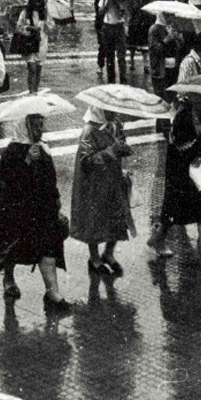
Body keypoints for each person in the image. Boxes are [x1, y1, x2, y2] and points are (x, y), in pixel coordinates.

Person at [0, 113, 70, 311]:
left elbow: (50, 177)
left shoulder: (43, 148)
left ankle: (52, 292)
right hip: (17, 209)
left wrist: (56, 198)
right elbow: (7, 181)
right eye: (35, 126)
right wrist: (26, 161)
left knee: (48, 246)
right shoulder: (11, 151)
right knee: (13, 247)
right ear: (25, 128)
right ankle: (8, 279)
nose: (40, 130)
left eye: (41, 125)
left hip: (42, 209)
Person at [149, 92, 201, 268]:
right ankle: (157, 239)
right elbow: (183, 149)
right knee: (172, 213)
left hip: (196, 173)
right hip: (181, 175)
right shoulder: (182, 116)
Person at [70, 107, 136, 277]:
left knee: (117, 215)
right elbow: (86, 161)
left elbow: (121, 144)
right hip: (95, 184)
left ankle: (109, 253)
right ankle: (94, 258)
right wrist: (111, 151)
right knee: (95, 219)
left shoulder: (116, 124)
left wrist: (124, 148)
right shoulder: (89, 131)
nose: (114, 113)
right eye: (109, 110)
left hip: (113, 178)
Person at [14, 0, 49, 93]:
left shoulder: (45, 13)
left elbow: (51, 29)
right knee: (32, 68)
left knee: (38, 69)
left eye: (39, 1)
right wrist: (29, 27)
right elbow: (18, 28)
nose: (37, 4)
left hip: (42, 44)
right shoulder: (25, 13)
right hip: (29, 43)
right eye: (35, 1)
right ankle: (31, 91)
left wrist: (48, 24)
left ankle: (36, 90)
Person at [97, 0, 129, 84]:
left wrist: (117, 4)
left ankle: (123, 80)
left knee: (121, 56)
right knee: (109, 56)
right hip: (107, 27)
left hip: (119, 27)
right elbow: (100, 12)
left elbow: (123, 14)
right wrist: (107, 4)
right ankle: (111, 81)